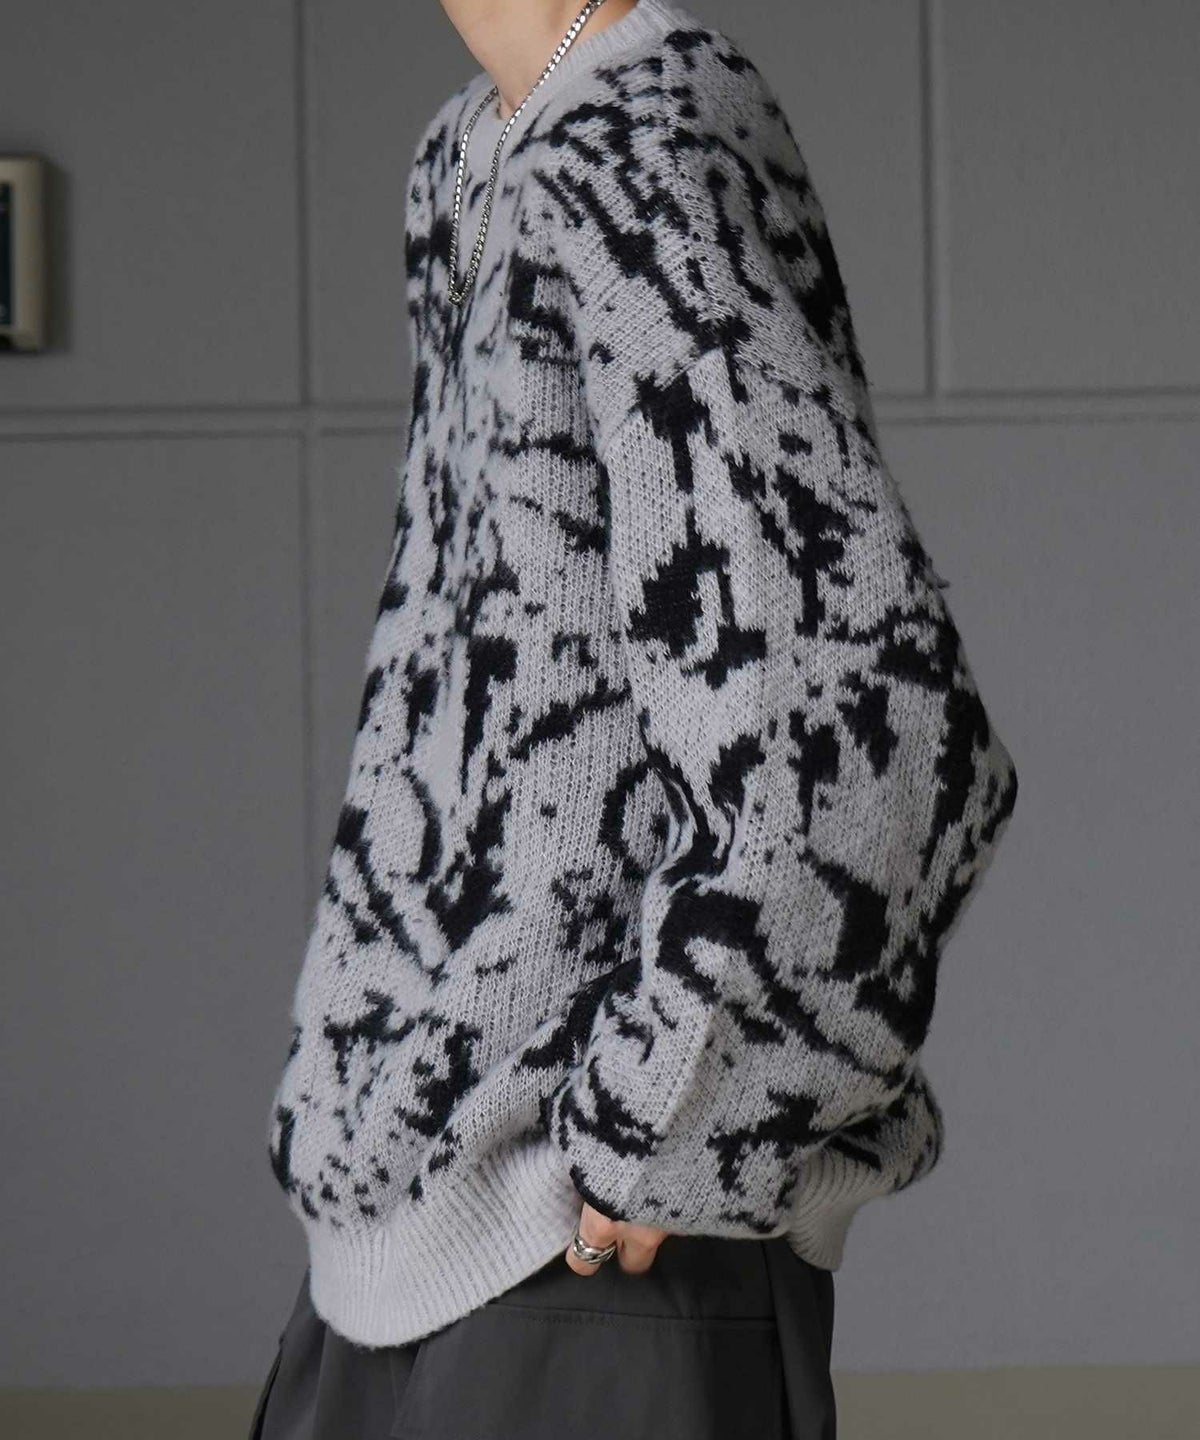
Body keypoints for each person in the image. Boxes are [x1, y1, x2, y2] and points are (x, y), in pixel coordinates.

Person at [248, 1, 1019, 1435]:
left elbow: (871, 735)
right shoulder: (474, 154)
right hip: (407, 1222)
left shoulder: (640, 142)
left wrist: (659, 1127)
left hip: (583, 1257)